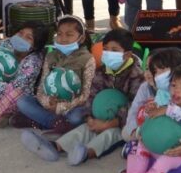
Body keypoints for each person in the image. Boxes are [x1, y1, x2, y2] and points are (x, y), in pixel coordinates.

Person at [27, 26, 143, 160]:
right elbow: (91, 95)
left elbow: (135, 105)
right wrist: (90, 118)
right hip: (99, 115)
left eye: (114, 50)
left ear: (127, 54)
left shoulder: (136, 76)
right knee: (85, 129)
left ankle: (86, 153)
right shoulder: (101, 71)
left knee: (111, 134)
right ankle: (55, 146)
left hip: (123, 121)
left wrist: (112, 122)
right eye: (105, 49)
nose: (108, 53)